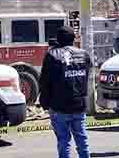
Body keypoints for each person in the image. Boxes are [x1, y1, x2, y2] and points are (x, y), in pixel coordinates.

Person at [39, 26, 92, 158]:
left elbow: (44, 82)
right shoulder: (83, 54)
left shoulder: (51, 55)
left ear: (58, 39)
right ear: (73, 39)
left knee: (63, 142)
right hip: (79, 105)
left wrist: (45, 103)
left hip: (59, 107)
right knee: (82, 141)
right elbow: (86, 76)